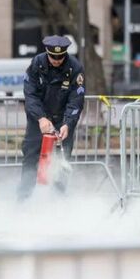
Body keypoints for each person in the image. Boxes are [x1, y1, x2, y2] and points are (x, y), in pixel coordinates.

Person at [18, 35, 86, 200]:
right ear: (47, 52)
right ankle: (23, 199)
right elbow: (30, 95)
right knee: (31, 157)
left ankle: (58, 200)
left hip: (62, 121)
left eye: (60, 57)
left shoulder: (75, 68)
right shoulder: (37, 64)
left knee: (62, 160)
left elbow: (76, 100)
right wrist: (41, 118)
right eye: (53, 57)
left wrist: (68, 124)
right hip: (38, 121)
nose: (56, 60)